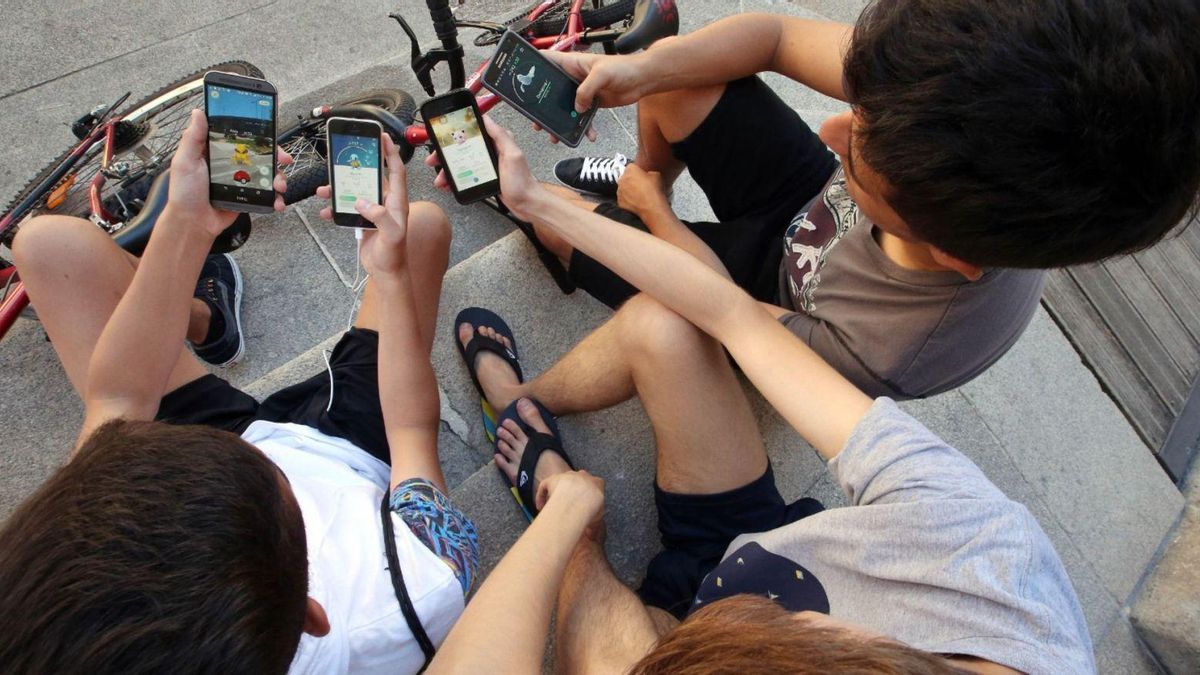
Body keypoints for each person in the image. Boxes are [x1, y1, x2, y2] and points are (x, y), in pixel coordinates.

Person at [429, 119, 1095, 674]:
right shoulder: (985, 552)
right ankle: (523, 395)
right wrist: (533, 200)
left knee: (605, 622)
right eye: (805, 630)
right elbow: (733, 315)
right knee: (667, 326)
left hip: (666, 644)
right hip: (760, 537)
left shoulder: (890, 348)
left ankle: (570, 517)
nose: (835, 132)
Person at [507, 0, 1200, 400]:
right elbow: (775, 38)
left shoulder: (890, 352)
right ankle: (646, 175)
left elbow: (729, 314)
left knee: (566, 233)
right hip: (805, 223)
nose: (831, 128)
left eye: (860, 159)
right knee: (675, 79)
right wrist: (641, 69)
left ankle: (529, 393)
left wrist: (652, 222)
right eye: (862, 109)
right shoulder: (947, 99)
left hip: (774, 305)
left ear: (949, 252)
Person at [0, 111, 476, 674]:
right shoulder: (422, 589)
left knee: (49, 245)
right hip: (357, 454)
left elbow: (120, 403)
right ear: (313, 616)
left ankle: (208, 318)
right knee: (419, 229)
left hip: (199, 455)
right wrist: (389, 274)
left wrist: (185, 223)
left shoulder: (55, 599)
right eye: (275, 480)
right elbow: (410, 430)